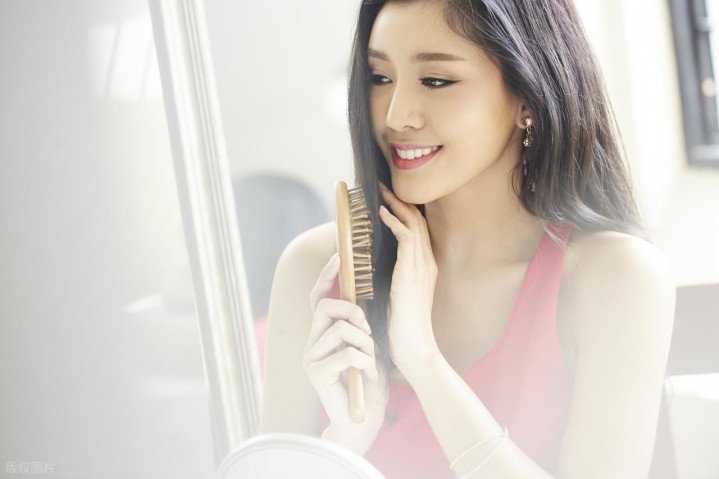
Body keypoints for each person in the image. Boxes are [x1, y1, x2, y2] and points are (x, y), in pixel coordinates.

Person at [259, 0, 676, 478]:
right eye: (380, 77)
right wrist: (344, 445)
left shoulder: (614, 279)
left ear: (527, 96)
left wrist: (424, 362)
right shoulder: (316, 267)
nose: (396, 115)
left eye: (436, 81)